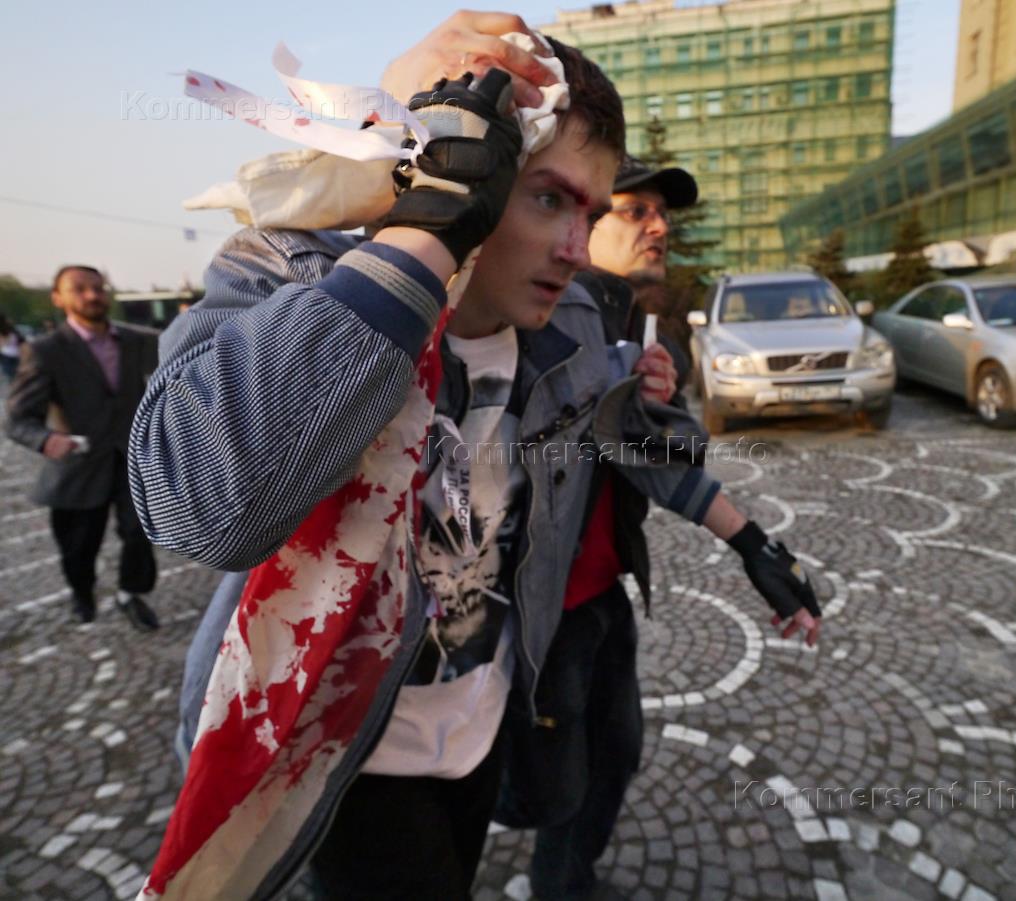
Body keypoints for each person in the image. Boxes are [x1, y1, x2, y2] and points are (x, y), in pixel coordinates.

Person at [127, 21, 720, 901]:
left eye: (592, 214)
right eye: (548, 199)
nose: (575, 245)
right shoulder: (285, 265)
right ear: (459, 165)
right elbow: (198, 502)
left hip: (483, 719)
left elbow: (630, 440)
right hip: (344, 743)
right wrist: (426, 221)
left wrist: (666, 419)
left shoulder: (569, 320)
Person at [496, 158, 822, 899]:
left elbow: (656, 457)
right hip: (536, 614)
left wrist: (755, 543)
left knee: (615, 755)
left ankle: (565, 884)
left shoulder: (640, 327)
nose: (659, 227)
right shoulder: (530, 320)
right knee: (541, 786)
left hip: (601, 595)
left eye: (662, 213)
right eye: (634, 211)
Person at [5, 266, 159, 629]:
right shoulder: (45, 350)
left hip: (130, 460)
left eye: (98, 287)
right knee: (78, 546)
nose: (92, 295)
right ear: (58, 298)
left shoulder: (136, 340)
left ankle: (130, 593)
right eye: (79, 289)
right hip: (78, 466)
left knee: (140, 534)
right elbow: (17, 419)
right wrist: (46, 440)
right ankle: (82, 592)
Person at [0, 314, 24, 381]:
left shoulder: (13, 330)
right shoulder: (7, 331)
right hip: (7, 356)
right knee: (11, 376)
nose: (10, 320)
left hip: (15, 355)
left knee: (17, 375)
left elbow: (21, 343)